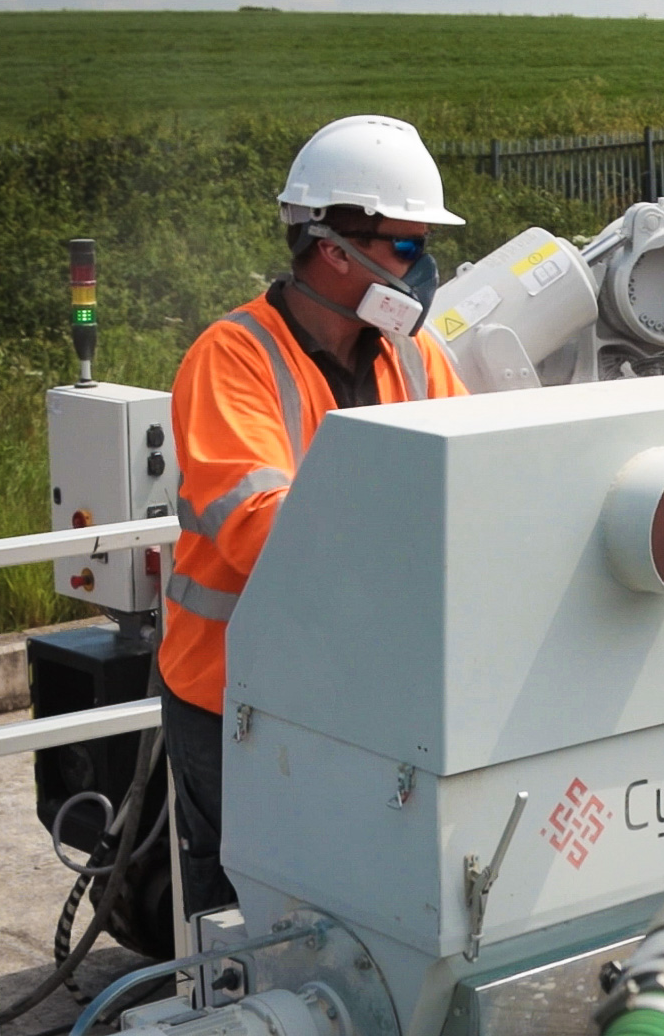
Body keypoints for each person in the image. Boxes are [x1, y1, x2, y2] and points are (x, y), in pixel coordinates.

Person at [160, 115, 469, 913]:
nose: (422, 266)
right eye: (406, 245)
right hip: (241, 704)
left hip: (358, 694)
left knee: (354, 907)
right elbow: (266, 533)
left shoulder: (414, 353)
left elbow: (474, 477)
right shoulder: (232, 359)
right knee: (252, 915)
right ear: (334, 248)